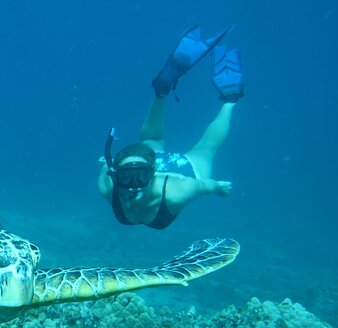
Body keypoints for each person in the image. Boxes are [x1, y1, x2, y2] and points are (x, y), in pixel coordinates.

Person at [98, 25, 244, 230]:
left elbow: (201, 185)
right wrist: (216, 187)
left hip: (182, 170)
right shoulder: (107, 186)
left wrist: (215, 187)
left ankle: (229, 98)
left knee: (206, 148)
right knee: (153, 141)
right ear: (116, 175)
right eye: (125, 176)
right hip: (153, 166)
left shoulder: (176, 192)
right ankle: (163, 90)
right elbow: (107, 165)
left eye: (140, 175)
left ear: (153, 171)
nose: (133, 185)